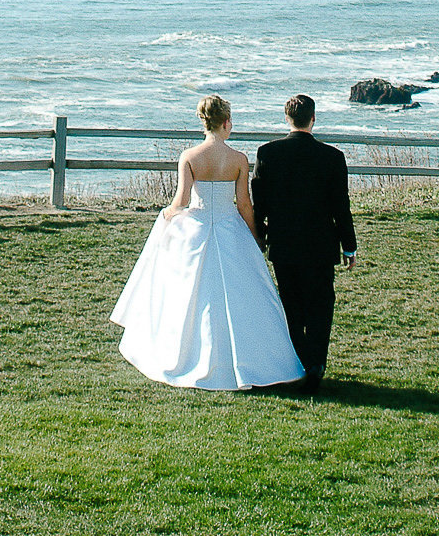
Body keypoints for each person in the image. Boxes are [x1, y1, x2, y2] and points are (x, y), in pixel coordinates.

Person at [110, 94, 304, 391]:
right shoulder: (239, 159)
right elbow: (244, 205)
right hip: (231, 228)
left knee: (188, 296)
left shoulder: (190, 157)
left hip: (197, 227)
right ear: (226, 122)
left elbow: (182, 200)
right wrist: (255, 237)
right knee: (246, 295)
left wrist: (167, 216)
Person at [251, 93, 356, 391]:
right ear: (313, 118)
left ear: (287, 119)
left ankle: (300, 360)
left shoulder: (267, 153)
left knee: (291, 305)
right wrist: (349, 246)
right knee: (322, 303)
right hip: (321, 245)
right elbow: (341, 206)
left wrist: (261, 234)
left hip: (284, 242)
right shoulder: (333, 157)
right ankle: (316, 362)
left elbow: (260, 202)